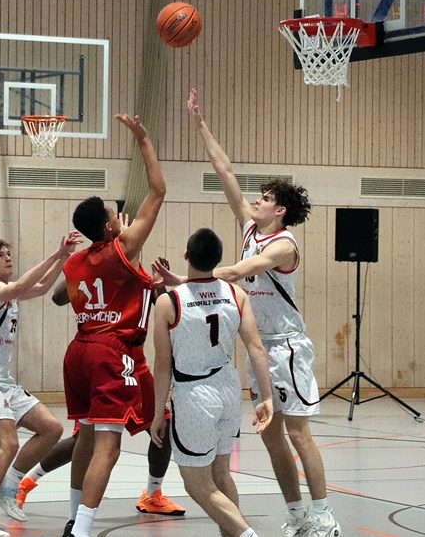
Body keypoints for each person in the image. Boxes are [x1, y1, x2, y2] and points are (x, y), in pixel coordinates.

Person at [184, 88, 341, 537]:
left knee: (298, 435)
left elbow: (241, 270)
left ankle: (324, 516)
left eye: (265, 197)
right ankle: (298, 516)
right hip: (259, 351)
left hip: (287, 347)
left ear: (280, 209)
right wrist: (200, 124)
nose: (257, 200)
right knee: (271, 437)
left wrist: (192, 277)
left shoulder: (284, 245)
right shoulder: (251, 227)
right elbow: (225, 170)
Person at [60, 113, 166, 537]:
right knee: (109, 447)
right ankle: (82, 529)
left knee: (86, 438)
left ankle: (73, 517)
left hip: (79, 351)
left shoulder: (73, 263)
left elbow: (68, 296)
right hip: (110, 353)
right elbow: (158, 191)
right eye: (113, 213)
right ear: (108, 227)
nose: (119, 215)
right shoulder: (123, 249)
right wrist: (143, 139)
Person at [16, 261, 186, 520]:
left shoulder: (140, 274)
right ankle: (26, 481)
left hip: (135, 364)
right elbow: (58, 297)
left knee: (163, 424)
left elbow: (162, 307)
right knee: (85, 440)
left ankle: (153, 494)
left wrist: (159, 285)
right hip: (103, 361)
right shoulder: (97, 265)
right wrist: (81, 270)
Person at [149, 227, 274, 537]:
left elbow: (162, 366)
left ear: (186, 256)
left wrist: (158, 412)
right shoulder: (237, 294)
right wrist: (266, 397)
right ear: (218, 259)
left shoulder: (169, 302)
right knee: (221, 475)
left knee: (197, 484)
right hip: (228, 388)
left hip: (194, 394)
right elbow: (256, 348)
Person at [0, 232, 83, 537]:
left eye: (8, 253)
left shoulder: (9, 294)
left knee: (51, 428)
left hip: (3, 382)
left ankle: (9, 484)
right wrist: (55, 255)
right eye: (0, 255)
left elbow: (41, 288)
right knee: (8, 444)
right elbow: (18, 287)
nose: (8, 257)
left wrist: (64, 258)